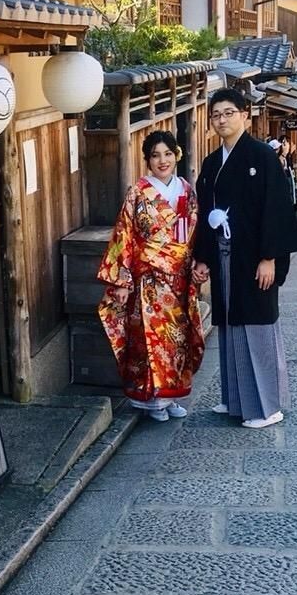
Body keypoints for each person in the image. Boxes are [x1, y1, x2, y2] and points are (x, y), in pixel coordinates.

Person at [193, 88, 297, 429]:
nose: (222, 119)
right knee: (230, 323)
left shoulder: (262, 156)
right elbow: (205, 211)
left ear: (245, 114)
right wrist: (203, 257)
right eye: (216, 115)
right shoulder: (213, 162)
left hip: (254, 255)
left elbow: (276, 209)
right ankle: (235, 399)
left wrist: (269, 257)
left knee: (257, 324)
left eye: (229, 112)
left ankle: (267, 407)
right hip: (225, 255)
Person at [98, 130, 205, 422]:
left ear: (176, 155)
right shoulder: (138, 192)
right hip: (147, 278)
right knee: (150, 339)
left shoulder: (186, 190)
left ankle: (171, 396)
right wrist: (121, 281)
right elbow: (124, 235)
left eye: (167, 154)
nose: (162, 161)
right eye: (155, 155)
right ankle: (151, 400)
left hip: (179, 277)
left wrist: (199, 262)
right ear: (147, 159)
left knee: (177, 340)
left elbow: (195, 233)